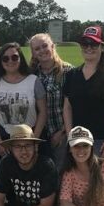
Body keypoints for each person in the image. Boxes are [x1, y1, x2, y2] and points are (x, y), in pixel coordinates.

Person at [62, 26, 104, 164]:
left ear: (102, 47)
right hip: (79, 141)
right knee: (82, 182)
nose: (89, 47)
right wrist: (70, 137)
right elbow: (67, 107)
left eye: (94, 44)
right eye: (85, 44)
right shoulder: (72, 75)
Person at [0, 43, 46, 158]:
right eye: (5, 58)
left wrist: (34, 141)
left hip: (30, 135)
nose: (10, 61)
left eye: (14, 57)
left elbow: (43, 112)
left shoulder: (34, 81)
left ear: (20, 59)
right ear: (0, 62)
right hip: (4, 138)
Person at [30, 32, 73, 167]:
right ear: (33, 53)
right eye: (37, 49)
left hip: (61, 133)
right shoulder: (32, 74)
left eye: (44, 46)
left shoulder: (68, 71)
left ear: (52, 46)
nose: (42, 50)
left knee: (61, 171)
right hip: (39, 133)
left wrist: (62, 132)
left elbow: (74, 106)